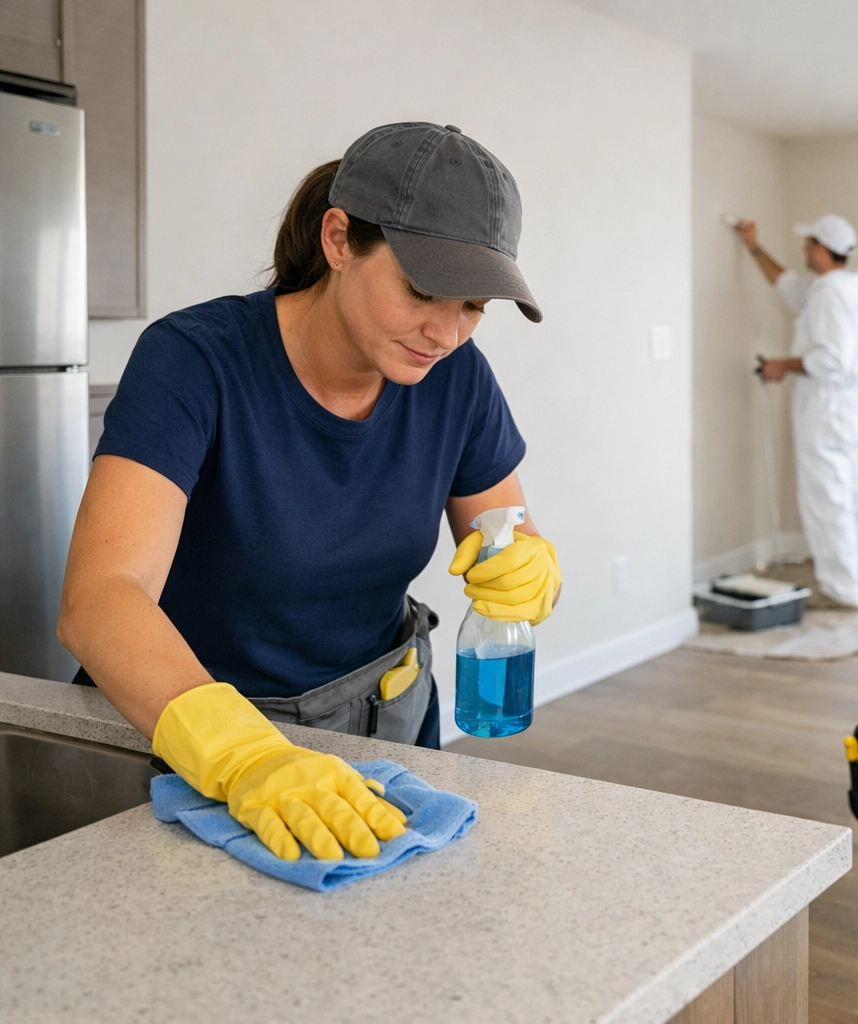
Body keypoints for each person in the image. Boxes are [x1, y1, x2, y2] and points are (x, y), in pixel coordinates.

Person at [56, 122, 562, 864]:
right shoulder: (195, 361)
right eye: (424, 289)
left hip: (386, 721)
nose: (447, 333)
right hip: (199, 740)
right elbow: (100, 597)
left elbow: (505, 531)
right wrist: (245, 756)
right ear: (337, 239)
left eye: (475, 305)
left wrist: (527, 569)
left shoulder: (458, 380)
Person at [732, 213, 858, 609]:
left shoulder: (827, 295)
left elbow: (830, 360)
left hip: (827, 408)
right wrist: (753, 246)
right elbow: (789, 287)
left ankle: (842, 590)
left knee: (828, 500)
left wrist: (780, 365)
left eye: (809, 244)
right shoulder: (849, 290)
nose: (804, 249)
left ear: (823, 249)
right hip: (853, 409)